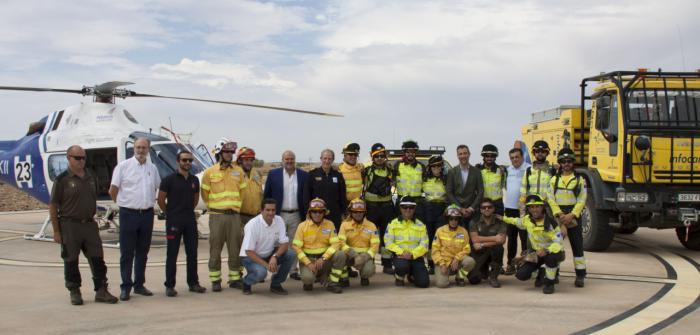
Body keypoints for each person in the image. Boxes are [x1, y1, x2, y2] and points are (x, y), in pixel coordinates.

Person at [50, 145, 118, 305]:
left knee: (97, 258)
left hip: (89, 224)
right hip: (70, 225)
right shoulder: (62, 180)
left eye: (83, 158)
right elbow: (53, 206)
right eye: (77, 158)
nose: (81, 161)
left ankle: (101, 290)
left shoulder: (91, 176)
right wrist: (56, 231)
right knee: (71, 259)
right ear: (68, 158)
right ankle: (74, 290)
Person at [109, 137, 160, 301]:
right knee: (127, 252)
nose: (141, 150)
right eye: (138, 147)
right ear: (133, 149)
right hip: (128, 214)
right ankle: (126, 286)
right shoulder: (123, 167)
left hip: (146, 214)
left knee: (143, 252)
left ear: (148, 149)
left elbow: (158, 187)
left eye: (144, 148)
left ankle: (139, 285)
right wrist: (122, 204)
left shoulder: (152, 168)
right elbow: (113, 189)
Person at [157, 150, 207, 297]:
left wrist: (186, 211)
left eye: (190, 161)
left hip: (190, 220)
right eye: (184, 160)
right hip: (174, 220)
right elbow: (161, 200)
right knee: (172, 254)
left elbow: (196, 200)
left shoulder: (194, 180)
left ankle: (193, 283)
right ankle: (170, 285)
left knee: (192, 254)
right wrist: (170, 213)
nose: (187, 163)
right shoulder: (168, 180)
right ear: (178, 161)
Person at [201, 139, 247, 292]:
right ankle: (215, 280)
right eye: (226, 152)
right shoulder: (210, 172)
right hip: (217, 216)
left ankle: (234, 278)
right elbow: (205, 194)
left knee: (235, 249)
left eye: (231, 152)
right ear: (219, 153)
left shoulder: (238, 171)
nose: (230, 155)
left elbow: (242, 193)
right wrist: (217, 207)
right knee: (215, 250)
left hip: (234, 216)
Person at [500, 194, 565, 294]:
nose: (534, 210)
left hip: (552, 253)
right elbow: (516, 221)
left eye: (537, 206)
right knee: (521, 275)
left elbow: (559, 242)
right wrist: (502, 218)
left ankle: (550, 283)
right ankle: (541, 273)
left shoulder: (551, 223)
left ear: (543, 207)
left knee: (551, 259)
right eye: (531, 207)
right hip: (536, 254)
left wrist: (546, 250)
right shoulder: (527, 220)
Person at [263, 150, 309, 281]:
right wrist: (266, 213)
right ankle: (275, 269)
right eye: (287, 159)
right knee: (277, 243)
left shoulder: (303, 175)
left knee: (295, 243)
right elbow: (267, 195)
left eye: (292, 159)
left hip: (296, 214)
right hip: (278, 215)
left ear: (295, 160)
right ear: (282, 160)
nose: (289, 161)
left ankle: (293, 270)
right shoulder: (273, 174)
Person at [240, 198, 297, 295]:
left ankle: (276, 284)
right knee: (262, 273)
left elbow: (285, 243)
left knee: (291, 254)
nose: (271, 213)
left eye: (273, 210)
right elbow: (249, 251)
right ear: (261, 210)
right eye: (268, 210)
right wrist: (267, 266)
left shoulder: (279, 220)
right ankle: (246, 282)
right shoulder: (253, 225)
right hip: (250, 257)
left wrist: (275, 257)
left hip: (269, 254)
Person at [549, 148, 588, 288]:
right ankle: (554, 274)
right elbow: (550, 199)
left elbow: (582, 199)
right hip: (558, 216)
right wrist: (560, 215)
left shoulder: (579, 180)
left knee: (577, 247)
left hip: (573, 216)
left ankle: (580, 275)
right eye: (564, 161)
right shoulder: (554, 180)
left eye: (569, 161)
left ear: (573, 163)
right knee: (555, 247)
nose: (566, 164)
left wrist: (572, 215)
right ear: (560, 163)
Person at [292, 198, 346, 293]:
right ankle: (315, 278)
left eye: (320, 212)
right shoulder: (302, 226)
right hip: (309, 260)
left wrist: (323, 258)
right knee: (308, 279)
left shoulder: (330, 224)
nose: (317, 214)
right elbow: (296, 247)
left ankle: (333, 283)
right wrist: (308, 263)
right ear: (310, 212)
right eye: (314, 211)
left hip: (324, 260)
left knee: (341, 254)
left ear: (324, 212)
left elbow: (335, 244)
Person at [362, 143, 396, 275]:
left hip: (387, 208)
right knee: (369, 236)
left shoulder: (391, 171)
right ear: (372, 157)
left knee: (386, 237)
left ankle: (387, 263)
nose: (380, 158)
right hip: (371, 209)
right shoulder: (366, 171)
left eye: (382, 156)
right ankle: (368, 261)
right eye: (377, 156)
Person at [384, 196, 430, 288]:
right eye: (405, 207)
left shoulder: (420, 224)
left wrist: (412, 254)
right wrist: (402, 252)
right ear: (400, 208)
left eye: (411, 207)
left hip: (415, 257)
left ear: (414, 209)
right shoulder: (393, 223)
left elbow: (424, 244)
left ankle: (411, 274)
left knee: (423, 284)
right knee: (402, 266)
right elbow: (388, 242)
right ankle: (399, 276)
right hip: (400, 257)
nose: (408, 210)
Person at [431, 204, 476, 288]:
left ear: (459, 220)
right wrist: (442, 264)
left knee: (470, 262)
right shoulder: (440, 231)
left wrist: (457, 258)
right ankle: (444, 275)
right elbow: (435, 250)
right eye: (451, 218)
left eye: (456, 219)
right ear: (447, 219)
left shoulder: (463, 231)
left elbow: (467, 249)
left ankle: (459, 277)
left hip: (457, 261)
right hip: (443, 261)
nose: (453, 221)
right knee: (442, 284)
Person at [338, 198, 380, 287]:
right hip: (349, 255)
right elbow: (341, 242)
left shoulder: (371, 226)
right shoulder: (344, 225)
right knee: (339, 256)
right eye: (355, 211)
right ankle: (344, 278)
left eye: (360, 212)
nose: (358, 214)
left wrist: (364, 257)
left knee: (368, 270)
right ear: (351, 212)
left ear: (364, 212)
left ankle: (364, 277)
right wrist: (354, 255)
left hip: (365, 256)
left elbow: (375, 245)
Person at [468, 198, 507, 288]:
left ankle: (493, 276)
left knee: (499, 248)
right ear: (480, 210)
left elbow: (502, 240)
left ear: (493, 209)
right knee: (474, 280)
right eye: (484, 207)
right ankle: (484, 270)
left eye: (489, 207)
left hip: (491, 249)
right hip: (479, 252)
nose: (487, 209)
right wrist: (494, 238)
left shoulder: (500, 221)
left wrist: (482, 244)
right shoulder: (474, 221)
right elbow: (475, 240)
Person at [303, 149, 347, 230]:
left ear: (333, 160)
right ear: (321, 159)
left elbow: (342, 196)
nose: (327, 161)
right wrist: (307, 212)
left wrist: (343, 212)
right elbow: (306, 195)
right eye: (325, 158)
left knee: (334, 237)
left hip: (334, 214)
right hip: (317, 213)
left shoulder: (338, 175)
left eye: (329, 159)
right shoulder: (312, 174)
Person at [504, 148, 530, 275]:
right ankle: (510, 264)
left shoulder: (529, 169)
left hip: (523, 210)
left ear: (522, 157)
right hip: (509, 209)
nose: (514, 159)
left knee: (525, 239)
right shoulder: (508, 170)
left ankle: (525, 264)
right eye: (512, 157)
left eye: (517, 157)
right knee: (512, 239)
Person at [445, 144, 484, 228]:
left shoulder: (477, 171)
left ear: (469, 154)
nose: (463, 156)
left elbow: (480, 191)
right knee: (458, 238)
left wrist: (471, 208)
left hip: (473, 212)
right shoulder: (452, 172)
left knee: (472, 238)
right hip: (456, 211)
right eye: (460, 154)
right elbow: (449, 192)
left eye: (465, 153)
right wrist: (460, 208)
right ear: (457, 155)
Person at [422, 155, 448, 274]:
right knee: (430, 238)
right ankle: (431, 264)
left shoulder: (446, 179)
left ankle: (441, 262)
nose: (437, 168)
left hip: (442, 208)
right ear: (430, 168)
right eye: (434, 166)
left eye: (439, 165)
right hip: (429, 208)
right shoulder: (425, 178)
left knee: (441, 237)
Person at [393, 139, 425, 223]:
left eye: (412, 151)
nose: (410, 154)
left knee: (418, 226)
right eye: (408, 152)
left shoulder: (422, 166)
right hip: (401, 202)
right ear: (404, 152)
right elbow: (389, 178)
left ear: (415, 153)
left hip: (417, 204)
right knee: (400, 227)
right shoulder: (397, 165)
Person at [520, 140, 556, 207]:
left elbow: (555, 191)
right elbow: (523, 192)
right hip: (531, 206)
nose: (540, 153)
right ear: (534, 153)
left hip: (547, 207)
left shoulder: (552, 170)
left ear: (547, 153)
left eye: (543, 151)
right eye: (537, 151)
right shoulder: (528, 170)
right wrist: (522, 213)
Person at [475, 144, 506, 215]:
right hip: (483, 204)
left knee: (499, 225)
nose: (489, 158)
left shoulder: (501, 170)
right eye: (487, 156)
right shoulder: (478, 171)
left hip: (497, 205)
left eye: (492, 156)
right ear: (483, 156)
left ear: (495, 157)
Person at [236, 147, 264, 225]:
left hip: (257, 217)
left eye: (251, 160)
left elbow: (261, 193)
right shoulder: (235, 175)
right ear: (240, 161)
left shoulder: (257, 174)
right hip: (241, 218)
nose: (249, 162)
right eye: (246, 160)